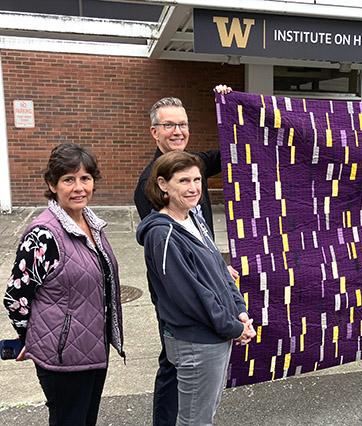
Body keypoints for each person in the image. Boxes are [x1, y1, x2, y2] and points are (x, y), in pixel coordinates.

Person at [134, 87, 235, 426]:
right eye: (169, 126)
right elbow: (177, 258)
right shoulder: (152, 183)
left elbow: (230, 153)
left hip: (202, 278)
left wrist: (230, 103)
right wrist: (230, 320)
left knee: (181, 365)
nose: (177, 131)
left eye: (183, 124)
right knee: (175, 362)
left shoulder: (191, 164)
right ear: (155, 132)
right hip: (176, 290)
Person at [3, 143, 124, 425]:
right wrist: (27, 338)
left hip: (93, 348)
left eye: (85, 178)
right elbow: (16, 297)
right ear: (52, 184)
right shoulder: (44, 235)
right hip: (62, 357)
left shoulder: (92, 226)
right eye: (69, 179)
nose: (79, 187)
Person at [136, 150, 255, 425]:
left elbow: (219, 269)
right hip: (196, 342)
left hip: (218, 334)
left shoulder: (194, 218)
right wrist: (233, 328)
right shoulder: (161, 234)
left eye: (197, 179)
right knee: (195, 421)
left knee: (205, 415)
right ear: (163, 185)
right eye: (184, 181)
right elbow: (190, 296)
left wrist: (240, 311)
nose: (193, 188)